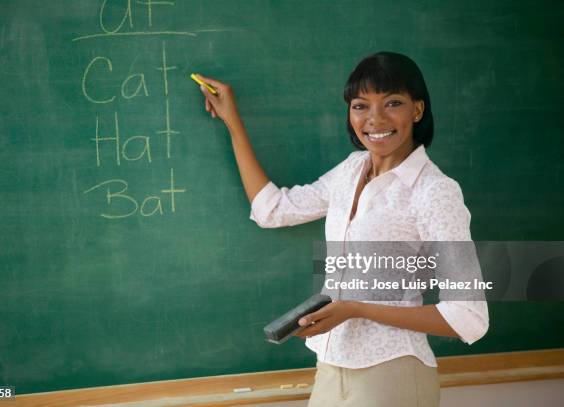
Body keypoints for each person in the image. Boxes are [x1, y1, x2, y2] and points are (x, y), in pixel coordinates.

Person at [195, 51, 489, 407]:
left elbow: (469, 318)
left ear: (417, 110)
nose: (374, 118)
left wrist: (356, 308)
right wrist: (232, 121)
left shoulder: (435, 192)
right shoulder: (351, 170)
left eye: (392, 102)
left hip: (392, 374)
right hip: (331, 368)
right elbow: (272, 210)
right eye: (360, 106)